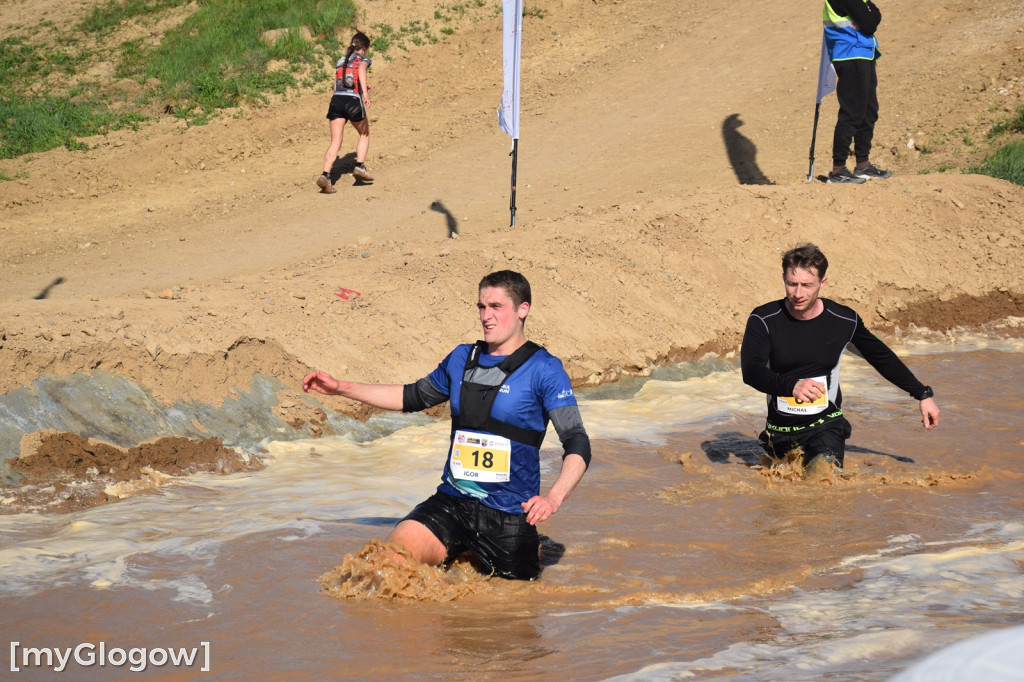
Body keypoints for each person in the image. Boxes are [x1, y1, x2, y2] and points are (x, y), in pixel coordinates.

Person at [302, 270, 591, 580]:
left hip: (508, 517)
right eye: (481, 307)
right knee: (384, 568)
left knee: (512, 614)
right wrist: (341, 388)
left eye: (496, 307)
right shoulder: (461, 358)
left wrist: (553, 498)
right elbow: (410, 396)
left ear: (523, 309)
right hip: (452, 502)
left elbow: (577, 442)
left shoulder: (545, 369)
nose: (486, 316)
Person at [740, 244, 940, 471]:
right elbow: (751, 371)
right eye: (792, 284)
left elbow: (881, 357)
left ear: (822, 283)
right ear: (783, 279)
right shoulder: (765, 319)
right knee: (783, 501)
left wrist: (922, 394)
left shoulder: (842, 320)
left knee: (821, 483)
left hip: (827, 425)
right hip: (779, 431)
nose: (798, 293)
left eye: (807, 285)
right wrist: (792, 386)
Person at [823, 0, 892, 184]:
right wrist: (866, 18)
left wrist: (867, 15)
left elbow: (875, 16)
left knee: (869, 112)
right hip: (850, 55)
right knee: (852, 113)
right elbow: (869, 25)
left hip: (864, 54)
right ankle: (838, 170)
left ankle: (863, 165)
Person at [317, 31, 374, 194]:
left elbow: (337, 84)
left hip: (337, 100)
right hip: (352, 101)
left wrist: (361, 88)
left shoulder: (341, 60)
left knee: (335, 142)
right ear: (363, 48)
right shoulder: (363, 59)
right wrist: (365, 94)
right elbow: (361, 71)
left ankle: (325, 175)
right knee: (364, 134)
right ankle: (360, 166)